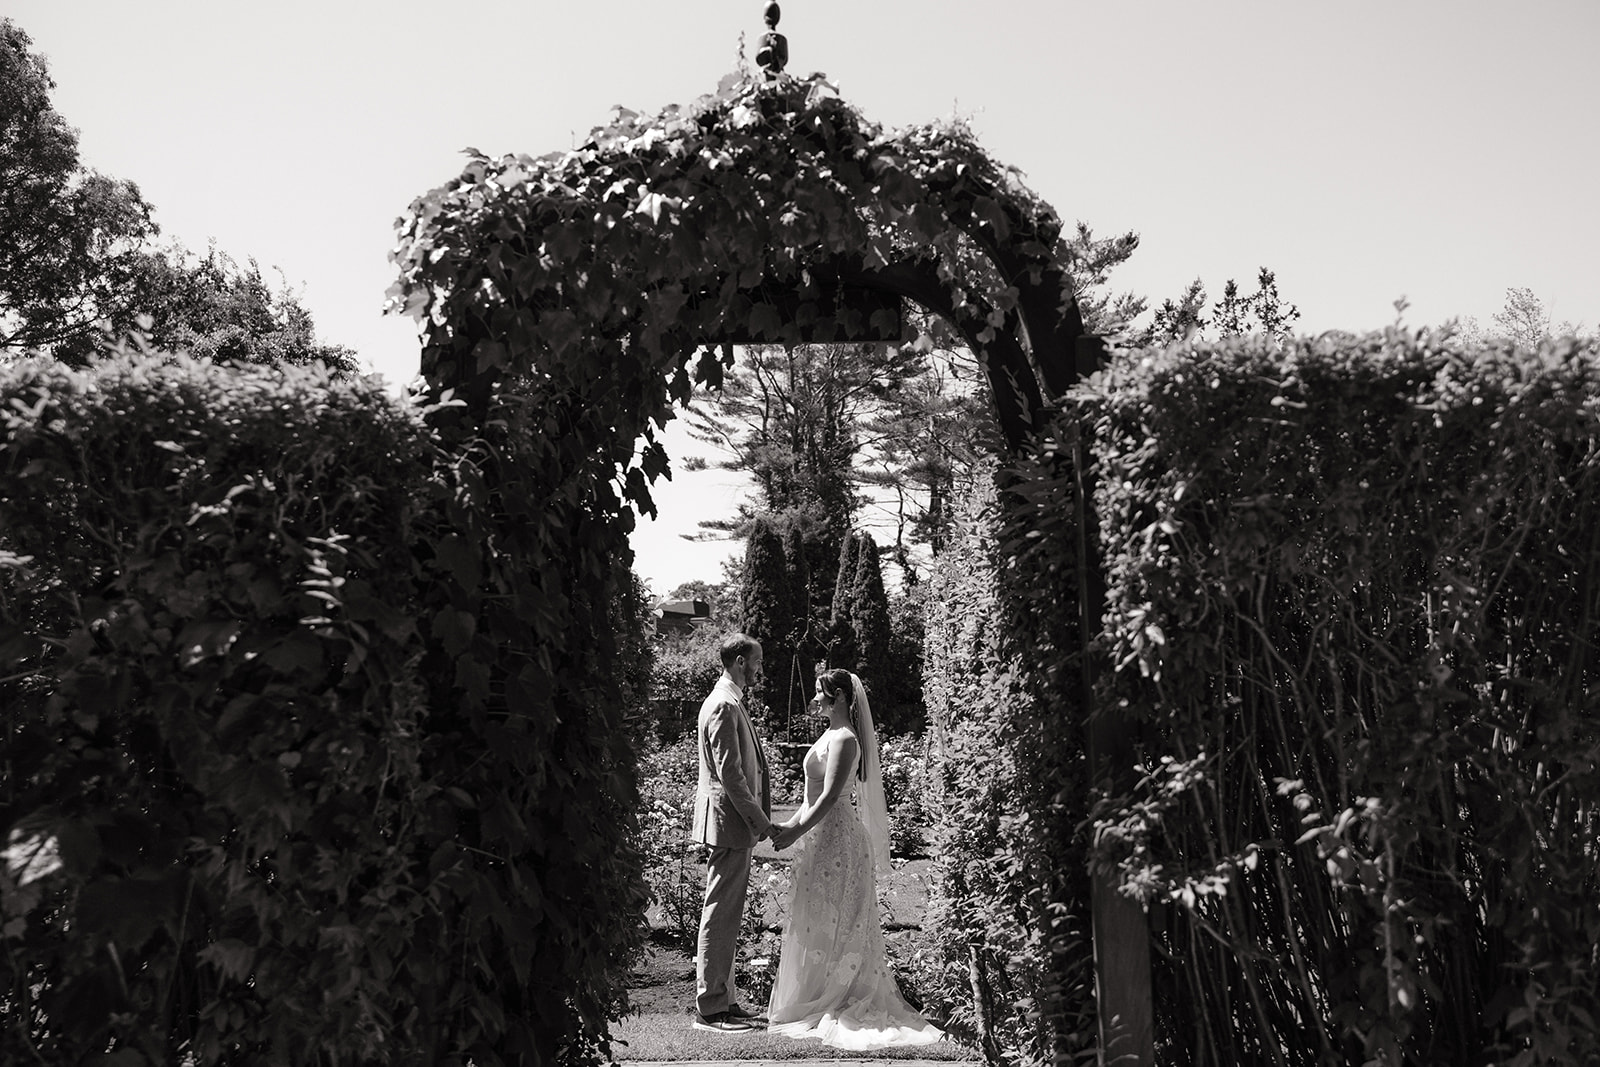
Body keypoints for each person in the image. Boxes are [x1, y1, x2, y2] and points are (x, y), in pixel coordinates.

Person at [764, 668, 943, 1048]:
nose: (814, 700)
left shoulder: (845, 739)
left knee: (842, 916)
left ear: (841, 697)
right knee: (816, 916)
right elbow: (809, 799)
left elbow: (830, 797)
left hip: (840, 839)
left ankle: (841, 993)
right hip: (819, 836)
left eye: (820, 693)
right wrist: (787, 826)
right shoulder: (828, 735)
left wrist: (796, 831)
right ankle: (814, 991)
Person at [690, 632, 774, 1033]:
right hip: (730, 824)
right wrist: (760, 820)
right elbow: (732, 776)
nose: (760, 668)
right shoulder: (724, 704)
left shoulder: (729, 700)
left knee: (726, 912)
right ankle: (710, 1010)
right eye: (756, 661)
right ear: (740, 661)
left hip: (729, 824)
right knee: (720, 913)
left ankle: (725, 998)